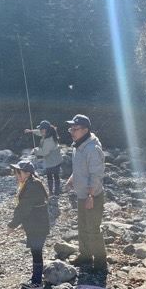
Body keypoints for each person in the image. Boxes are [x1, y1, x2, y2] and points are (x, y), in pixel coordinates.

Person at [63, 114, 107, 272]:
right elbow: (80, 168)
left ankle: (101, 262)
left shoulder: (92, 148)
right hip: (82, 194)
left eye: (75, 129)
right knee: (82, 226)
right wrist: (72, 179)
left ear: (86, 130)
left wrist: (90, 196)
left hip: (92, 196)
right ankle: (86, 255)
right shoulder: (78, 144)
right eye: (71, 128)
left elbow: (96, 174)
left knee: (93, 228)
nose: (72, 131)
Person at [7, 160, 50, 289]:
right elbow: (29, 209)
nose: (16, 175)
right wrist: (22, 224)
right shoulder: (30, 183)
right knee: (35, 251)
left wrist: (12, 225)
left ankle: (37, 283)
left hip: (38, 226)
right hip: (36, 224)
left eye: (18, 172)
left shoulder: (32, 186)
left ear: (27, 173)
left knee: (36, 251)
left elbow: (22, 208)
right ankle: (37, 279)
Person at [25, 120, 64, 196]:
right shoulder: (48, 133)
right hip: (56, 159)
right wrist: (31, 131)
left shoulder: (48, 140)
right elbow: (39, 132)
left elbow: (44, 152)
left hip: (53, 161)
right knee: (55, 176)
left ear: (45, 129)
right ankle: (54, 191)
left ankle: (54, 192)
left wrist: (35, 150)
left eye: (41, 129)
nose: (40, 131)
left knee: (52, 176)